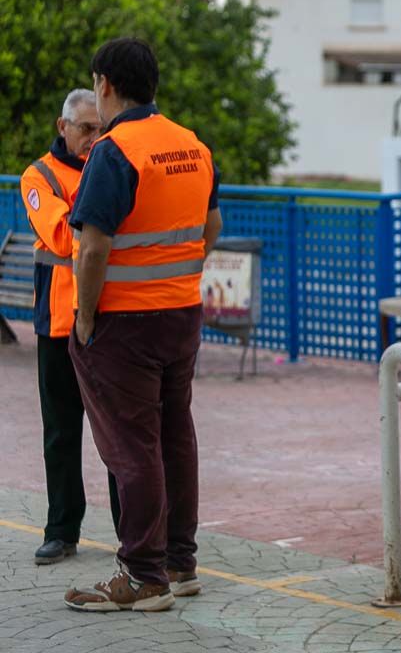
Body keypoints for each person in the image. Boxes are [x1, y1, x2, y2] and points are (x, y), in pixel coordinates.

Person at [63, 38, 222, 612]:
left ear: (104, 84)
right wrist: (177, 281)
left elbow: (92, 249)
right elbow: (211, 226)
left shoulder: (114, 151)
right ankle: (181, 563)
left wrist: (84, 318)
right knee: (176, 434)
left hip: (124, 323)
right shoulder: (192, 145)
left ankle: (142, 575)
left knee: (134, 447)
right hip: (181, 315)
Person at [20, 89, 122, 566]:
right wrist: (102, 223)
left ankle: (134, 534)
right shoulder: (38, 177)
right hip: (59, 323)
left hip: (107, 318)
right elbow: (66, 235)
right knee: (61, 432)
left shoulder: (108, 165)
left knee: (118, 435)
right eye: (85, 129)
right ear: (63, 128)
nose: (93, 138)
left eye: (99, 128)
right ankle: (62, 530)